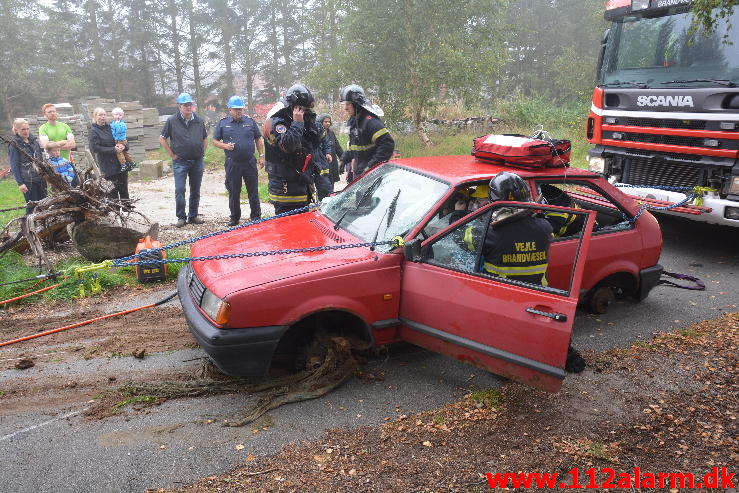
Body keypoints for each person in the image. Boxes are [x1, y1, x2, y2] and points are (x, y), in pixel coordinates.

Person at [262, 83, 322, 214]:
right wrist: (298, 122)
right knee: (286, 228)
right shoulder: (278, 122)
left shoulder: (300, 119)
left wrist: (310, 123)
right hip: (285, 190)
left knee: (302, 226)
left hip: (301, 184)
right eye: (303, 109)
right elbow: (288, 146)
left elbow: (314, 141)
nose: (306, 112)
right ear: (294, 107)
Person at [212, 96, 265, 226]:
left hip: (249, 162)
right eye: (236, 109)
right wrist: (225, 146)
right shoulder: (223, 123)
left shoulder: (250, 122)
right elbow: (215, 141)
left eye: (240, 109)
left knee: (253, 190)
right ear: (230, 109)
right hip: (232, 162)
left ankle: (256, 216)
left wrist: (262, 155)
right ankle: (235, 217)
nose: (238, 111)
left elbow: (258, 139)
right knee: (234, 191)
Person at [160, 93, 208, 228]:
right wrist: (172, 155)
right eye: (185, 105)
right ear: (179, 106)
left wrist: (202, 152)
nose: (188, 107)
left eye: (190, 105)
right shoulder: (172, 121)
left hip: (197, 161)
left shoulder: (199, 121)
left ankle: (193, 216)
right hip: (180, 161)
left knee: (195, 189)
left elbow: (205, 138)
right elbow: (162, 138)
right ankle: (181, 217)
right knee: (180, 189)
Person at [339, 84, 394, 177]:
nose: (345, 108)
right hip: (361, 172)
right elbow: (355, 147)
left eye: (348, 104)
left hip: (373, 175)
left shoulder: (370, 122)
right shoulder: (355, 122)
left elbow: (387, 145)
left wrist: (371, 167)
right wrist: (344, 159)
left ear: (356, 104)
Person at [88, 107, 130, 201]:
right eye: (100, 115)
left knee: (124, 191)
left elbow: (122, 138)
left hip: (120, 163)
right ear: (95, 117)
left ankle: (127, 212)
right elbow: (95, 148)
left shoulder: (112, 127)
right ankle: (115, 213)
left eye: (104, 114)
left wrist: (125, 146)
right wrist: (113, 150)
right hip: (108, 166)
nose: (103, 117)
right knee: (112, 192)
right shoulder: (93, 131)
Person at [8, 118, 47, 214]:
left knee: (45, 204)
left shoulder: (34, 141)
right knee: (32, 207)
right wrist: (20, 183)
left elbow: (40, 159)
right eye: (23, 129)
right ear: (16, 130)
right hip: (28, 180)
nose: (26, 131)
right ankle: (28, 227)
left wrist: (46, 176)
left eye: (27, 129)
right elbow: (14, 165)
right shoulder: (14, 144)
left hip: (40, 178)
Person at [318, 114, 343, 190]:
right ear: (321, 122)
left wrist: (343, 157)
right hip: (322, 163)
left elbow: (337, 147)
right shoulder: (318, 133)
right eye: (325, 121)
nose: (328, 123)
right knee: (324, 184)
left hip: (332, 162)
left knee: (331, 183)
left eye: (329, 122)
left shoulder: (331, 133)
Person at [110, 107, 136, 172]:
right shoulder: (113, 123)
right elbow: (112, 131)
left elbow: (119, 131)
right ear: (113, 115)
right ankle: (132, 162)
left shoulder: (121, 124)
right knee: (124, 152)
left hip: (120, 140)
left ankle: (123, 164)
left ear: (122, 116)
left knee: (119, 152)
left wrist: (117, 125)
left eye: (120, 115)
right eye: (116, 115)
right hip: (117, 140)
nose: (118, 116)